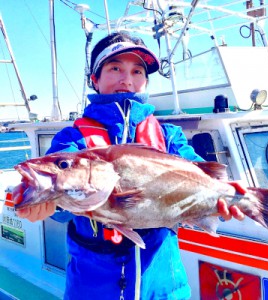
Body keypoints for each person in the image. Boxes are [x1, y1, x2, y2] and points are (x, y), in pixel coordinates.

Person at [13, 32, 244, 300]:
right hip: (91, 289)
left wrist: (225, 201)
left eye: (137, 71)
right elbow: (61, 208)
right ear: (95, 79)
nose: (127, 79)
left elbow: (202, 176)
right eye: (115, 68)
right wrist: (45, 204)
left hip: (164, 288)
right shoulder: (72, 139)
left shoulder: (169, 136)